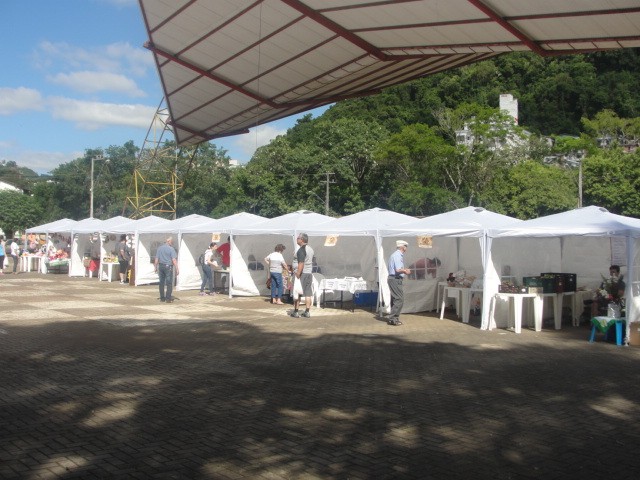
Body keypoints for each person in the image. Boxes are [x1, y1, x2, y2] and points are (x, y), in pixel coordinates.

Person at [387, 240, 411, 326]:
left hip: (394, 279)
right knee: (399, 299)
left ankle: (393, 318)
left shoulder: (395, 255)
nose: (406, 248)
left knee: (396, 299)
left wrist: (403, 270)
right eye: (405, 246)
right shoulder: (397, 255)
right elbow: (398, 270)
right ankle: (393, 318)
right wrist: (405, 271)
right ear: (403, 247)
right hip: (395, 279)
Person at [291, 233, 314, 318]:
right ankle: (307, 311)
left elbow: (301, 263)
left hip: (302, 274)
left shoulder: (301, 250)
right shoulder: (310, 249)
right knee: (308, 293)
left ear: (302, 240)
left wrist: (298, 273)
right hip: (309, 273)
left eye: (298, 238)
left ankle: (296, 312)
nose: (297, 239)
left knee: (297, 292)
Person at [154, 237, 179, 303]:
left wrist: (155, 266)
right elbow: (174, 259)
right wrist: (177, 268)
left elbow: (156, 258)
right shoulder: (171, 249)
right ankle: (168, 298)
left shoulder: (159, 248)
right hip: (168, 266)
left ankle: (162, 298)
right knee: (169, 283)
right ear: (168, 241)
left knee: (161, 282)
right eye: (171, 241)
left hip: (161, 266)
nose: (172, 243)